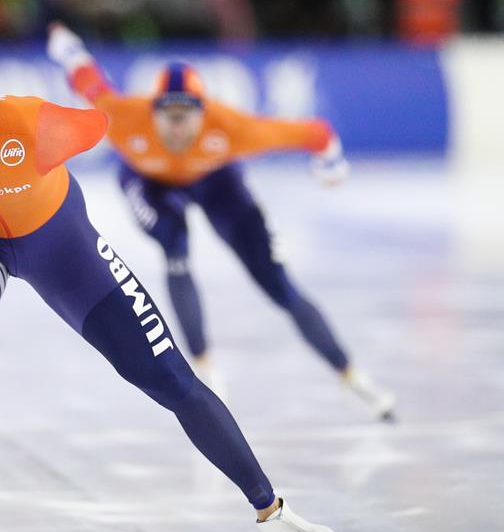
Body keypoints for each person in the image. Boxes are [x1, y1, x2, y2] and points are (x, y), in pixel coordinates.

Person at [0, 60, 350, 532]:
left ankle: (272, 510)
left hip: (61, 245)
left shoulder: (33, 126)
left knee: (168, 377)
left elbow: (107, 121)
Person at [47, 23, 396, 421]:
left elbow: (316, 133)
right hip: (148, 184)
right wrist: (69, 48)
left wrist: (331, 164)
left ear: (204, 113)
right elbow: (88, 81)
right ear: (151, 111)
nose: (177, 128)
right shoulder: (124, 117)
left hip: (215, 180)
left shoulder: (231, 127)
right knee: (175, 245)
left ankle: (349, 373)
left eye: (186, 117)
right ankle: (204, 365)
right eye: (168, 117)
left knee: (275, 279)